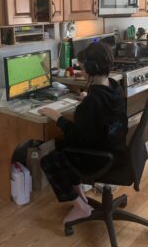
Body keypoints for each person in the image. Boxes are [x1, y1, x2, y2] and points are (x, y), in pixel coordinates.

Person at [39, 42, 128, 224]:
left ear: (91, 67)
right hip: (116, 151)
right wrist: (88, 98)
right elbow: (99, 111)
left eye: (83, 65)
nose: (81, 68)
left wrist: (57, 117)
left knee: (48, 161)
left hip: (99, 159)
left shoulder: (92, 103)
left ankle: (81, 207)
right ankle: (79, 194)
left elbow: (76, 137)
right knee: (63, 146)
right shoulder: (114, 88)